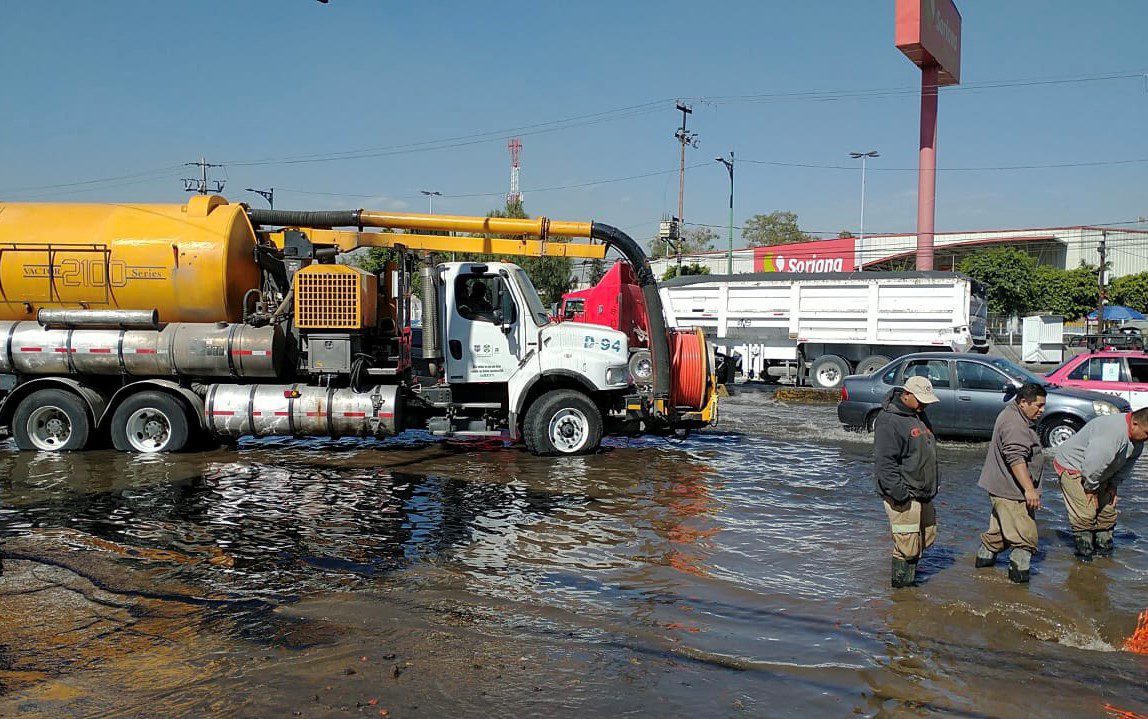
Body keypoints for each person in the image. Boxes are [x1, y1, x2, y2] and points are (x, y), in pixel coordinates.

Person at [974, 383, 1047, 583]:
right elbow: (1016, 459)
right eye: (1038, 406)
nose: (1042, 411)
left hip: (1002, 488)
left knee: (998, 536)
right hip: (1011, 493)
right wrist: (1029, 490)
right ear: (1023, 402)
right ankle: (1019, 588)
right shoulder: (1014, 423)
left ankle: (980, 574)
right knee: (1025, 540)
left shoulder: (1012, 415)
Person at [1052, 407, 1148, 559]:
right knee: (1085, 514)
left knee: (1107, 513)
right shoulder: (1111, 435)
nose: (1147, 438)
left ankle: (1104, 555)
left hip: (1101, 470)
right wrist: (1091, 489)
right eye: (1147, 433)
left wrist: (1113, 485)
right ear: (1134, 424)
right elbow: (1093, 466)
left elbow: (1127, 464)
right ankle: (1085, 560)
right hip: (1075, 466)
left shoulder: (1138, 439)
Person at [874, 375, 940, 588]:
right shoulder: (889, 421)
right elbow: (885, 464)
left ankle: (911, 586)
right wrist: (900, 494)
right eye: (921, 400)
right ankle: (902, 593)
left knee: (926, 538)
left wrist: (934, 482)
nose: (924, 405)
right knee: (906, 546)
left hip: (923, 492)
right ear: (906, 395)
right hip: (904, 494)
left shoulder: (919, 414)